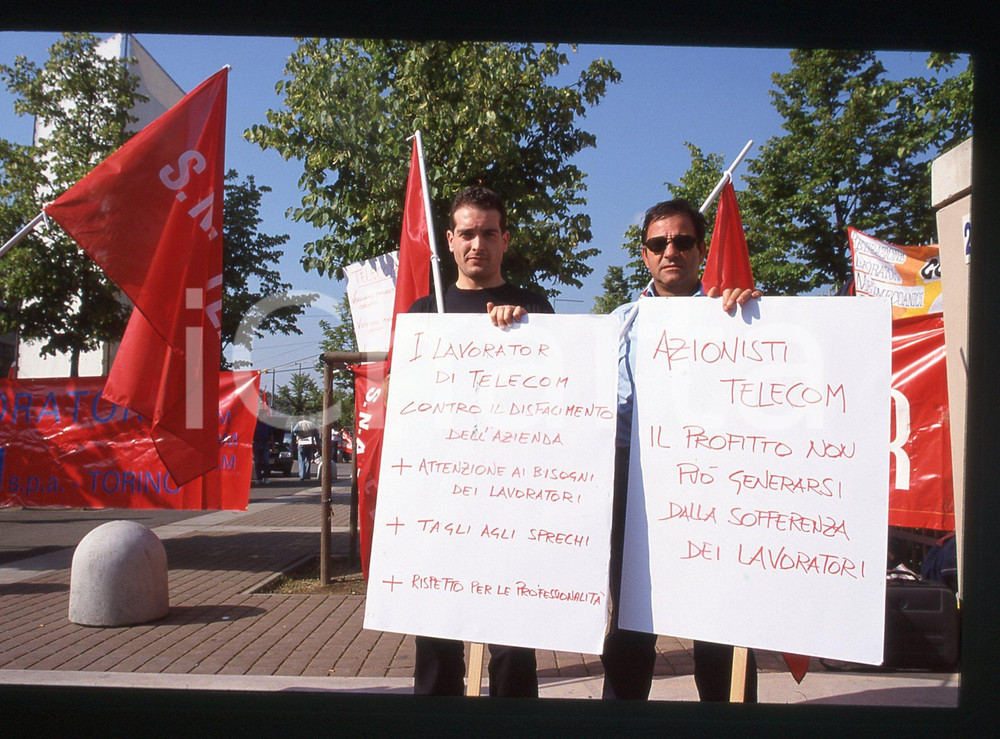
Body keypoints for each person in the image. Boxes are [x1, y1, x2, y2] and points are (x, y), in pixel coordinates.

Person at [602, 198, 759, 701]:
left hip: (714, 478)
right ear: (644, 255)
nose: (671, 250)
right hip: (635, 482)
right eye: (658, 243)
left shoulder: (739, 315)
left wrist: (759, 322)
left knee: (721, 622)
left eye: (683, 240)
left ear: (700, 248)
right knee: (630, 624)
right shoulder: (620, 324)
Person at [406, 185, 553, 697]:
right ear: (448, 240)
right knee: (437, 637)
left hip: (512, 500)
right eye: (467, 233)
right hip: (442, 499)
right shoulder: (426, 314)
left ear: (505, 239)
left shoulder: (535, 306)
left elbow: (558, 398)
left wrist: (522, 333)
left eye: (489, 232)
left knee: (513, 643)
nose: (478, 244)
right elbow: (405, 405)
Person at [292, 417, 319, 481]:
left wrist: (299, 434)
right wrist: (318, 444)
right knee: (308, 459)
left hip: (301, 442)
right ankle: (307, 475)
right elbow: (316, 434)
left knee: (301, 459)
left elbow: (294, 431)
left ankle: (302, 475)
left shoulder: (299, 424)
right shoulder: (312, 424)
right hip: (309, 443)